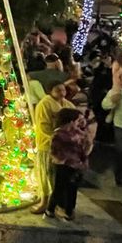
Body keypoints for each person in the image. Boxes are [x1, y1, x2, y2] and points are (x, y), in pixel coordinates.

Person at [31, 80, 74, 213]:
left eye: (63, 90)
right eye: (58, 90)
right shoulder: (44, 104)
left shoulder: (67, 104)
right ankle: (44, 201)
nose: (61, 93)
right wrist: (55, 138)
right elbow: (43, 126)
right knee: (45, 174)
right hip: (47, 145)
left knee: (58, 177)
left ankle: (58, 203)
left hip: (63, 147)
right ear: (50, 91)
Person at [45, 107, 91, 221]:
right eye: (77, 120)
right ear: (70, 121)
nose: (79, 123)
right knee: (59, 188)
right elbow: (54, 152)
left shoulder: (78, 133)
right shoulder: (59, 134)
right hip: (63, 166)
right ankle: (50, 210)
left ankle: (69, 211)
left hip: (75, 165)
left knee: (72, 188)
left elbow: (83, 149)